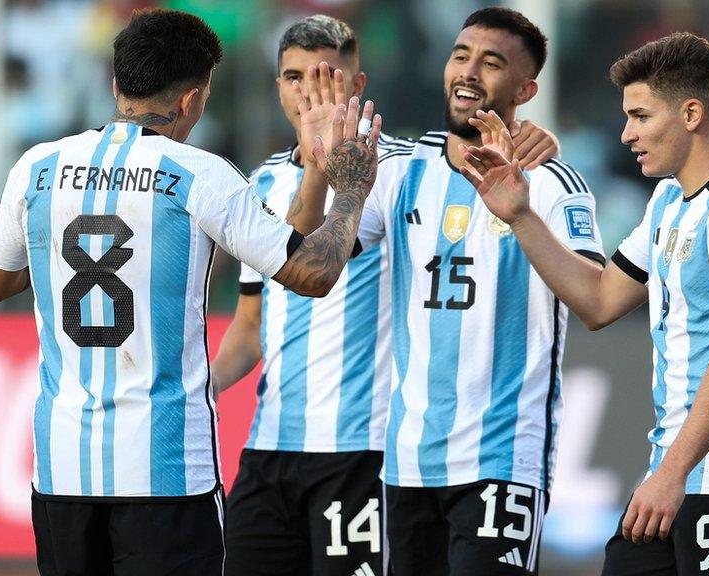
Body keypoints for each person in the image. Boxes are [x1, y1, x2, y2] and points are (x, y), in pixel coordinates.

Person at [0, 9, 382, 575]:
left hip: (61, 470)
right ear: (191, 99)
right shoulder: (202, 176)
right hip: (165, 471)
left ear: (117, 85)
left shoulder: (38, 167)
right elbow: (314, 274)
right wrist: (353, 188)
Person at [213, 15, 560, 576]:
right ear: (277, 85)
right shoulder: (261, 182)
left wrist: (531, 134)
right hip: (270, 440)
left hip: (365, 446)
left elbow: (460, 154)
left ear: (357, 86)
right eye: (294, 77)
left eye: (324, 77)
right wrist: (200, 387)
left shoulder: (389, 170)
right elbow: (256, 315)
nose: (309, 92)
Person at [459, 32, 709, 576]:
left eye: (640, 116)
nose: (627, 134)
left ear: (691, 113)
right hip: (673, 473)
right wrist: (521, 216)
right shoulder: (669, 200)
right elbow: (599, 300)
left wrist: (671, 475)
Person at [289, 8, 601, 575]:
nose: (469, 72)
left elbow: (594, 303)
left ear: (528, 89)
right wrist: (316, 167)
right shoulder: (400, 171)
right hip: (407, 463)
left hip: (501, 457)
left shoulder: (552, 181)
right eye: (461, 55)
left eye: (491, 62)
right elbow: (312, 268)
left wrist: (523, 215)